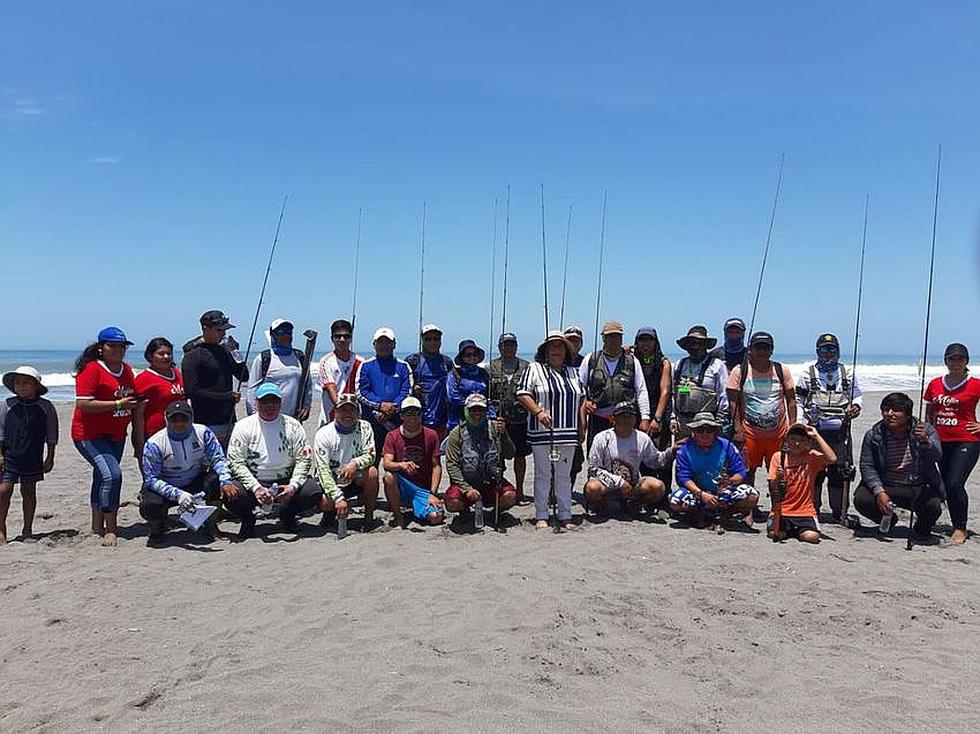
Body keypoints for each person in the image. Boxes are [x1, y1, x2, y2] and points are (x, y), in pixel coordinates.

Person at [224, 382, 320, 540]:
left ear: (280, 403)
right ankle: (248, 520)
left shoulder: (293, 426)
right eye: (265, 401)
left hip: (285, 479)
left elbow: (304, 459)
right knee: (230, 494)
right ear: (257, 403)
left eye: (274, 401)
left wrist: (292, 487)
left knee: (313, 491)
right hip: (255, 480)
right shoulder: (243, 426)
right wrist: (256, 488)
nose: (269, 406)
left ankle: (287, 514)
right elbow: (235, 462)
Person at [72, 326, 140, 546]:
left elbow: (134, 398)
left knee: (101, 477)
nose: (118, 350)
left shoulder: (127, 370)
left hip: (116, 434)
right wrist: (118, 404)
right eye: (113, 346)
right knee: (113, 475)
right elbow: (83, 403)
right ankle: (111, 528)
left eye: (122, 346)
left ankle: (95, 526)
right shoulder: (92, 369)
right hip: (89, 435)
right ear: (101, 348)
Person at [139, 399, 236, 545]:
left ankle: (210, 525)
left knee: (216, 481)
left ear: (191, 418)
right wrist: (179, 495)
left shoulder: (203, 433)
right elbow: (151, 479)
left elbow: (218, 458)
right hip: (167, 485)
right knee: (149, 505)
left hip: (194, 480)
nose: (179, 423)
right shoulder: (154, 444)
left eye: (184, 418)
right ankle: (157, 529)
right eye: (174, 419)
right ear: (166, 419)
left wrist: (226, 480)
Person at [853, 393, 944, 540]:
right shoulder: (874, 435)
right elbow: (867, 466)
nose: (890, 414)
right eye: (886, 410)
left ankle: (921, 528)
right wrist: (879, 491)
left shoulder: (924, 431)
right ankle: (890, 519)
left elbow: (937, 456)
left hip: (915, 485)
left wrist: (926, 443)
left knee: (933, 506)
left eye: (896, 410)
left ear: (907, 414)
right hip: (887, 484)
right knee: (862, 500)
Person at [517, 331, 584, 529]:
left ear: (566, 350)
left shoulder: (574, 372)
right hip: (542, 432)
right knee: (543, 474)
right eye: (552, 346)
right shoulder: (534, 369)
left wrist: (582, 426)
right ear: (545, 351)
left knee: (564, 475)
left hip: (568, 433)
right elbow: (522, 393)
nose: (556, 350)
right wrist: (538, 412)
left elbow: (582, 400)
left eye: (560, 346)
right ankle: (542, 514)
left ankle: (565, 514)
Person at [795, 333, 863, 523]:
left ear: (838, 351)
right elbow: (799, 400)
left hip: (841, 433)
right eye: (824, 350)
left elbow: (856, 395)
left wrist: (856, 406)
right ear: (818, 351)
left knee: (841, 472)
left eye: (832, 349)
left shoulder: (847, 373)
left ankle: (839, 512)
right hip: (815, 432)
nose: (828, 354)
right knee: (814, 472)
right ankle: (812, 510)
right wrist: (801, 423)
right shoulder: (808, 373)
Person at [924, 343, 980, 544]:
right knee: (945, 485)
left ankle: (960, 527)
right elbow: (929, 412)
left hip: (967, 440)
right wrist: (927, 433)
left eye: (959, 358)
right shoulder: (935, 384)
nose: (955, 362)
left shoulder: (975, 384)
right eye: (951, 358)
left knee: (955, 483)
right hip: (940, 441)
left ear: (966, 361)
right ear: (945, 361)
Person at [726, 331, 796, 486]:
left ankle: (777, 507)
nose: (762, 352)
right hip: (750, 434)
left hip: (778, 434)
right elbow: (733, 402)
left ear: (772, 350)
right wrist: (737, 429)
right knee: (747, 470)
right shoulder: (740, 371)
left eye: (766, 348)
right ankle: (749, 507)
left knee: (779, 470)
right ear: (750, 349)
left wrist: (792, 427)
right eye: (758, 347)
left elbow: (791, 400)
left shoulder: (781, 370)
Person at [669, 412, 759, 530]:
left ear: (715, 431)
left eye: (709, 429)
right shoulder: (684, 449)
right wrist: (701, 494)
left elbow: (741, 472)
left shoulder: (726, 446)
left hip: (723, 491)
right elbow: (683, 478)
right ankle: (697, 513)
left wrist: (730, 481)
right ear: (693, 432)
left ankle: (725, 514)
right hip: (698, 491)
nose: (705, 433)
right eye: (700, 430)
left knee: (752, 496)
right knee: (674, 502)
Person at [584, 401, 673, 518]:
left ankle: (634, 505)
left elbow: (656, 461)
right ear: (613, 419)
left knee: (658, 487)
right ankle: (604, 506)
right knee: (592, 488)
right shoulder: (601, 438)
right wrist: (619, 482)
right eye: (622, 417)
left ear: (635, 419)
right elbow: (593, 469)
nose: (626, 420)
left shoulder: (642, 438)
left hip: (632, 485)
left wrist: (672, 451)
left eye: (630, 417)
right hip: (607, 485)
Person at [0, 367, 57, 543]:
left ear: (36, 385)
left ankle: (27, 529)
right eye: (17, 382)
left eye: (26, 382)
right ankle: (1, 529)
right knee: (3, 491)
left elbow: (52, 434)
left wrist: (50, 457)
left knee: (29, 492)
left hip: (32, 456)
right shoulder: (7, 404)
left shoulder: (45, 406)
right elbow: (0, 432)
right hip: (9, 455)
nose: (21, 386)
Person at [444, 393, 518, 525]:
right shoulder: (457, 433)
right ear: (466, 410)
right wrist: (466, 489)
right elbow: (452, 465)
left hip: (492, 483)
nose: (477, 413)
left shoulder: (496, 428)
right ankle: (465, 511)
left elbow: (510, 454)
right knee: (451, 502)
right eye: (473, 409)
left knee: (511, 496)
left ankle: (495, 513)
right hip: (465, 484)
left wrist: (504, 435)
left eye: (481, 409)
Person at [313, 393, 381, 532]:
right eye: (343, 410)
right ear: (336, 412)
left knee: (372, 472)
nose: (347, 414)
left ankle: (368, 518)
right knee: (326, 503)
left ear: (358, 412)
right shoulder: (323, 434)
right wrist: (338, 498)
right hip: (331, 480)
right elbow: (323, 470)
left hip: (354, 478)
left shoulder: (365, 427)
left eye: (352, 410)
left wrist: (354, 464)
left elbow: (371, 455)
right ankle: (330, 513)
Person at [580, 321, 651, 455]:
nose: (613, 340)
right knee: (597, 457)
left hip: (625, 420)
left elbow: (641, 390)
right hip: (598, 420)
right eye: (609, 337)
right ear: (603, 338)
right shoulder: (590, 359)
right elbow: (579, 388)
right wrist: (586, 402)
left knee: (625, 458)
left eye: (617, 337)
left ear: (621, 338)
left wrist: (645, 417)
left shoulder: (632, 361)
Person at [181, 310, 248, 449]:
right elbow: (191, 391)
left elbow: (244, 376)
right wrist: (226, 396)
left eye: (225, 330)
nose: (223, 334)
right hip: (205, 421)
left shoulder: (225, 351)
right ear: (206, 329)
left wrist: (235, 352)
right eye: (219, 330)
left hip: (229, 419)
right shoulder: (193, 354)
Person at [767, 423, 837, 544]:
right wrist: (778, 477)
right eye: (793, 439)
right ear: (787, 440)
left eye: (802, 440)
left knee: (812, 537)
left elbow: (832, 459)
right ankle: (791, 530)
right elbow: (773, 487)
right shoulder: (778, 457)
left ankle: (797, 530)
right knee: (776, 534)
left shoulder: (812, 457)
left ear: (808, 443)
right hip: (782, 510)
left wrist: (816, 436)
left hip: (805, 510)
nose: (797, 443)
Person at [382, 396, 444, 528]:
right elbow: (386, 463)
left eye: (416, 412)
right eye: (407, 412)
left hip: (422, 487)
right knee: (389, 476)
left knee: (435, 517)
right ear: (401, 416)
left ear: (421, 415)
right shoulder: (392, 436)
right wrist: (401, 465)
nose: (412, 416)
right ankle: (398, 516)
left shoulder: (431, 435)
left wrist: (433, 493)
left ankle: (418, 506)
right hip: (402, 483)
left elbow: (436, 466)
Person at [356, 327, 412, 466]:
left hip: (397, 423)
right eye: (380, 342)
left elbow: (407, 391)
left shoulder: (403, 366)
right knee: (370, 464)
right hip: (372, 423)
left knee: (399, 463)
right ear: (374, 344)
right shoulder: (366, 365)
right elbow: (361, 391)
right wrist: (380, 406)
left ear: (394, 344)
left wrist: (393, 408)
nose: (384, 346)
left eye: (388, 342)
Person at [488, 333, 531, 500]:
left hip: (520, 419)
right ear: (499, 346)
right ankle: (499, 490)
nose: (509, 347)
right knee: (498, 457)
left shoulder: (526, 366)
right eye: (506, 344)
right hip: (498, 420)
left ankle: (520, 491)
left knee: (520, 456)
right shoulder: (491, 367)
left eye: (512, 344)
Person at [246, 318, 313, 421]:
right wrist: (254, 415)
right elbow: (252, 389)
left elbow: (307, 385)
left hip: (293, 418)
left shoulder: (299, 357)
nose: (286, 335)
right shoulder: (264, 358)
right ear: (273, 335)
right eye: (281, 332)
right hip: (267, 417)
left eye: (289, 332)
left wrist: (306, 406)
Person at [672, 325, 729, 439]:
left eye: (699, 343)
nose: (695, 346)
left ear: (705, 346)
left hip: (706, 428)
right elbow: (672, 395)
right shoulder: (679, 365)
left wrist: (719, 422)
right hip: (682, 425)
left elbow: (723, 396)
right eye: (692, 343)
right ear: (686, 346)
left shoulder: (717, 365)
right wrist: (672, 418)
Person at [133, 337, 184, 455]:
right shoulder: (144, 379)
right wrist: (139, 445)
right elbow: (138, 415)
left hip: (178, 432)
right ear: (150, 357)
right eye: (161, 354)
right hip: (154, 433)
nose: (166, 357)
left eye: (169, 353)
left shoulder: (176, 373)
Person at [633, 327, 672, 477]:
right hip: (638, 414)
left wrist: (657, 419)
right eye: (642, 340)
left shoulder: (664, 363)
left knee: (662, 457)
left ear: (656, 343)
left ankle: (663, 497)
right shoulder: (632, 361)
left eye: (649, 340)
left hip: (658, 414)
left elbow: (665, 391)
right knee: (641, 455)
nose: (645, 344)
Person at [405, 324, 453, 438]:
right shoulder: (413, 361)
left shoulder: (447, 362)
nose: (432, 342)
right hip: (417, 418)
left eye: (436, 339)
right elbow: (402, 386)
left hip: (442, 419)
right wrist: (412, 389)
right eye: (428, 339)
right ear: (422, 340)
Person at [316, 318, 362, 426]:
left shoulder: (360, 362)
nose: (342, 339)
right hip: (331, 417)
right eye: (338, 336)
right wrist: (344, 410)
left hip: (354, 417)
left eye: (346, 336)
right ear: (332, 338)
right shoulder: (325, 362)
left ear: (351, 338)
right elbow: (331, 389)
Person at [447, 339, 493, 430]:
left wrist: (492, 416)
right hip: (459, 421)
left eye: (474, 354)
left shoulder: (483, 373)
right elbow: (453, 398)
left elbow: (489, 396)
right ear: (462, 357)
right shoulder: (455, 374)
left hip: (481, 420)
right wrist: (473, 406)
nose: (472, 357)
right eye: (468, 355)